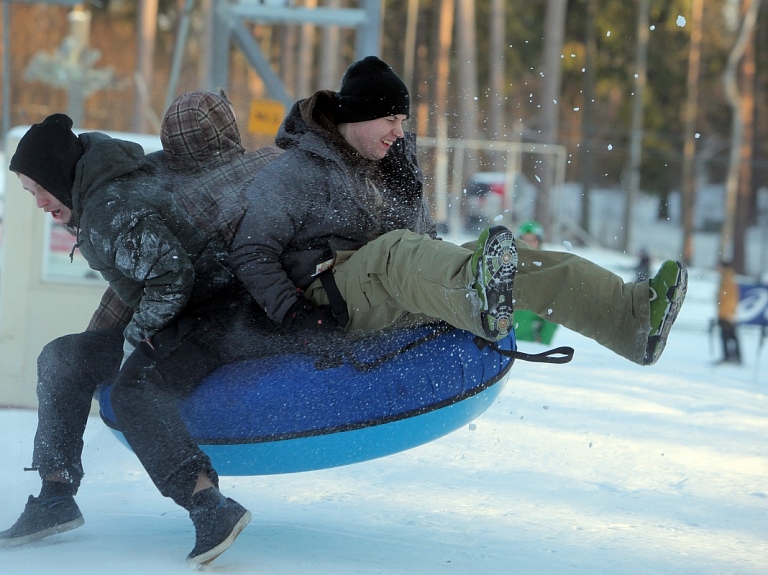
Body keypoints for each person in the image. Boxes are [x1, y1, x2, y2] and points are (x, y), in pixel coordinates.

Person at [229, 55, 688, 367]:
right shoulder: (297, 172)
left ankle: (630, 318)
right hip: (327, 300)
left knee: (518, 266)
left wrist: (408, 193)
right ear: (357, 117)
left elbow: (422, 245)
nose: (398, 132)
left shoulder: (388, 165)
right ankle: (476, 293)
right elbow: (250, 251)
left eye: (403, 121)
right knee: (399, 252)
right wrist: (294, 316)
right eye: (390, 120)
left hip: (389, 288)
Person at [1, 93, 282, 565]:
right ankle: (55, 495)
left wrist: (134, 340)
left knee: (136, 389)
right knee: (63, 357)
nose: (38, 202)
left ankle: (210, 506)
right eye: (29, 193)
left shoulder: (110, 207)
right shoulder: (98, 190)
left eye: (37, 189)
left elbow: (174, 278)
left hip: (212, 319)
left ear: (56, 176)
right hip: (178, 315)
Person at [715, 259, 741, 365]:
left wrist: (728, 312)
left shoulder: (727, 279)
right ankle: (735, 356)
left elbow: (730, 298)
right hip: (726, 312)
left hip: (726, 313)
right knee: (731, 335)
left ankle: (729, 356)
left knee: (727, 335)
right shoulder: (728, 277)